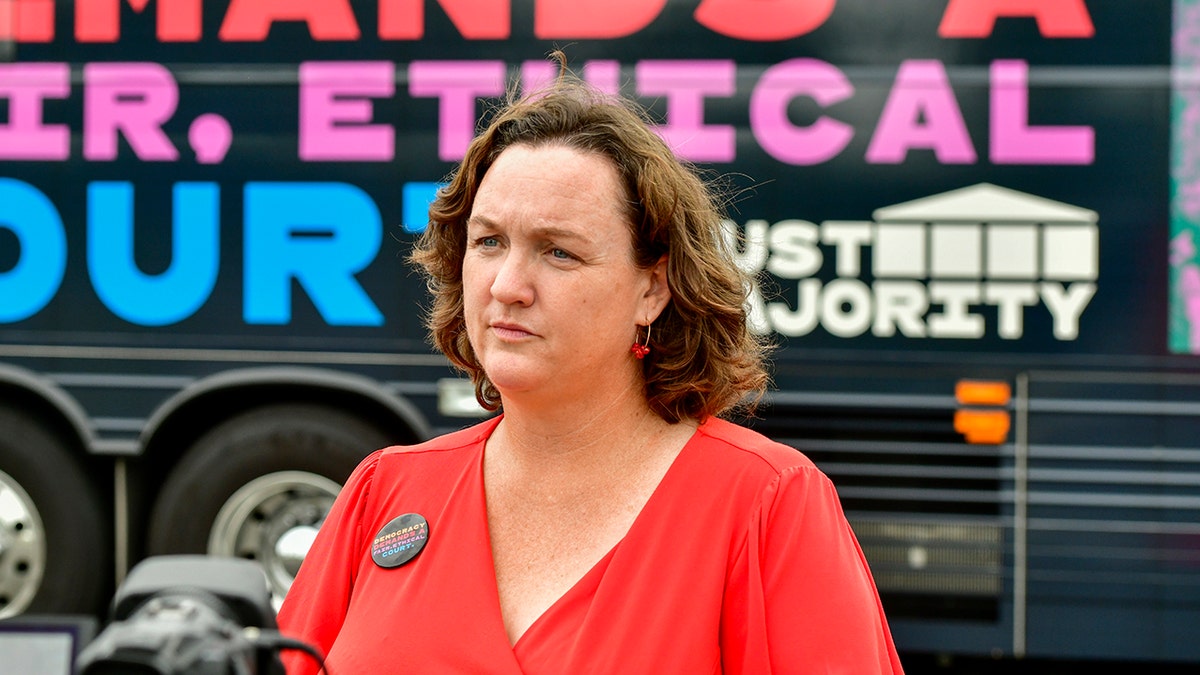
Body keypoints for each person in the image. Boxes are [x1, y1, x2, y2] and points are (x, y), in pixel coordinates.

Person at [277, 60, 905, 674]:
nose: (508, 285)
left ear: (651, 290)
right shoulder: (385, 492)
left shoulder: (765, 503)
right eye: (488, 241)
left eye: (559, 252)